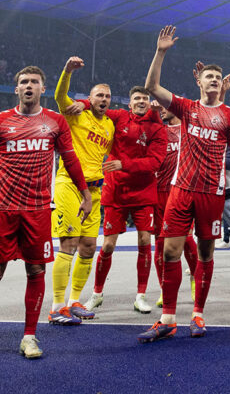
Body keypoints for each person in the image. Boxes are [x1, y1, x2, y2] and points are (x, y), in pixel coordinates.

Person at [138, 25, 230, 342]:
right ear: (198, 81)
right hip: (181, 191)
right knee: (170, 252)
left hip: (212, 194)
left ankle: (198, 314)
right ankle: (168, 318)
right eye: (208, 77)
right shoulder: (187, 108)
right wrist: (161, 52)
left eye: (218, 77)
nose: (214, 80)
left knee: (204, 254)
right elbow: (151, 86)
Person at [0, 66, 91, 359]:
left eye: (34, 82)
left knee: (36, 269)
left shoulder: (54, 121)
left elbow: (70, 158)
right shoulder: (2, 121)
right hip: (3, 208)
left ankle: (29, 336)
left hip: (38, 210)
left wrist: (85, 192)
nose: (28, 86)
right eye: (24, 82)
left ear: (43, 88)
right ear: (16, 89)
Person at [84, 86, 167, 315]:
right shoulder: (118, 116)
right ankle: (97, 294)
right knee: (108, 245)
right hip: (116, 191)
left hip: (143, 193)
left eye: (145, 98)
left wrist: (124, 164)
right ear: (129, 104)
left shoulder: (158, 128)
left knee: (144, 242)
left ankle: (140, 296)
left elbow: (155, 162)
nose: (141, 101)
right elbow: (94, 107)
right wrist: (81, 104)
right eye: (137, 98)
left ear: (149, 103)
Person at [50, 56, 115, 324]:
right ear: (90, 98)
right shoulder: (77, 113)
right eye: (98, 95)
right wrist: (66, 71)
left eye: (107, 96)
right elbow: (59, 97)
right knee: (69, 244)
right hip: (70, 184)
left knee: (88, 246)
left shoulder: (110, 125)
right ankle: (57, 306)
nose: (104, 99)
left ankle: (75, 300)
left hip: (96, 190)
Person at [151, 102, 199, 309]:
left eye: (165, 106)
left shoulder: (190, 128)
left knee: (187, 239)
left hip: (182, 191)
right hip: (158, 193)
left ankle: (196, 280)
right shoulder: (158, 131)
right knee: (160, 243)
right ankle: (164, 289)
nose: (161, 109)